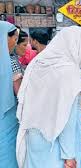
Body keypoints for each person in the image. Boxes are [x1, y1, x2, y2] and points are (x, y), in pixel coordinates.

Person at [16, 26, 81, 168]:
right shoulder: (70, 73)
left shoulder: (38, 63)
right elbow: (67, 119)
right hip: (56, 147)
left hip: (35, 137)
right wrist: (69, 155)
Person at [0, 21, 19, 168]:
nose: (15, 43)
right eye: (15, 38)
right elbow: (20, 93)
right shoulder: (11, 62)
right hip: (6, 121)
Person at [11, 30, 28, 95]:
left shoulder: (12, 59)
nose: (26, 48)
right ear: (15, 44)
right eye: (24, 45)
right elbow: (19, 94)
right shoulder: (13, 62)